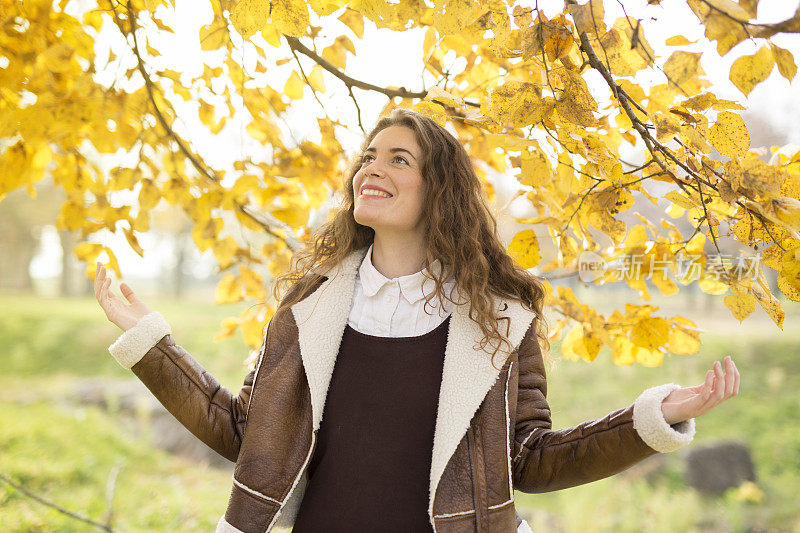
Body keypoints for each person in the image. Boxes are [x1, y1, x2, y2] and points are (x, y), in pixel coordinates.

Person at [94, 108, 740, 533]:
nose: (371, 167)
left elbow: (530, 460)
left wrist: (652, 417)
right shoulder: (306, 309)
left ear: (441, 191)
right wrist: (155, 345)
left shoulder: (500, 322)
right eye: (369, 156)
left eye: (399, 158)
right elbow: (245, 433)